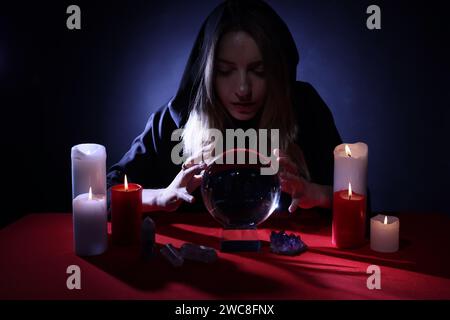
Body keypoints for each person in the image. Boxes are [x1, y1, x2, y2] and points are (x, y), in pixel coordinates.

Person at [107, 0, 343, 214]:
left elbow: (358, 199)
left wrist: (315, 194)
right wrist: (160, 196)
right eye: (225, 71)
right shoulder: (178, 117)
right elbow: (104, 195)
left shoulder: (304, 108)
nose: (243, 89)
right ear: (208, 73)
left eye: (258, 71)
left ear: (277, 71)